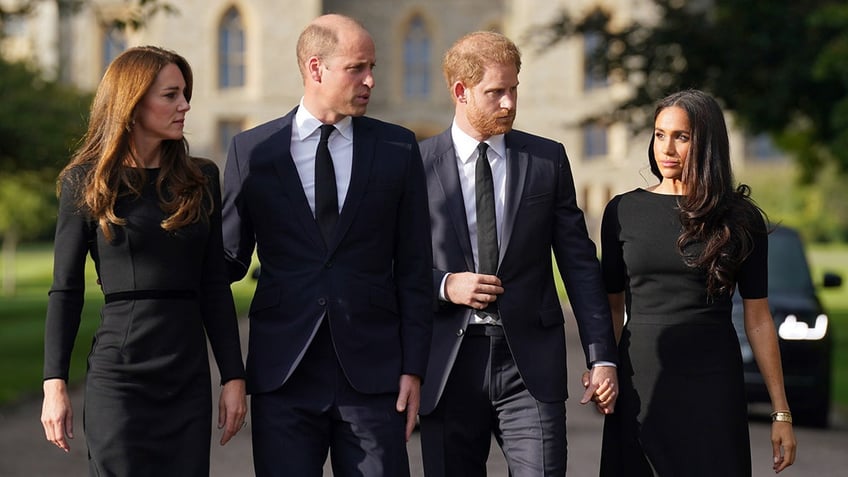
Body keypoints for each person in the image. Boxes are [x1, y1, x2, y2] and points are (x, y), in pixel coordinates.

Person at [221, 14, 432, 477]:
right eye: (357, 68)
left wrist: (414, 368)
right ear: (316, 69)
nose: (370, 80)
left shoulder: (398, 148)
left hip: (374, 377)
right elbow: (226, 262)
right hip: (283, 374)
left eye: (371, 66)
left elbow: (416, 268)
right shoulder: (253, 152)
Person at [417, 31, 619, 476]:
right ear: (460, 91)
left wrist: (601, 355)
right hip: (448, 365)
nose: (509, 103)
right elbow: (390, 265)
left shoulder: (547, 160)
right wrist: (446, 285)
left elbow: (580, 264)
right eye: (495, 92)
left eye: (513, 90)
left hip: (529, 366)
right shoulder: (415, 165)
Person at [40, 46, 247, 476]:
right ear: (133, 105)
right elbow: (66, 289)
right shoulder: (87, 181)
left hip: (187, 376)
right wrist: (54, 384)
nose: (185, 105)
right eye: (171, 95)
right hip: (120, 377)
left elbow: (213, 285)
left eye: (185, 93)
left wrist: (233, 377)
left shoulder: (202, 178)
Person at [598, 89, 797, 475]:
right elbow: (611, 305)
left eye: (681, 137)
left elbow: (758, 318)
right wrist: (603, 365)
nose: (666, 148)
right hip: (641, 381)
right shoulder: (623, 211)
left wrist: (781, 412)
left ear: (707, 143)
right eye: (659, 134)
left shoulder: (740, 218)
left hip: (712, 384)